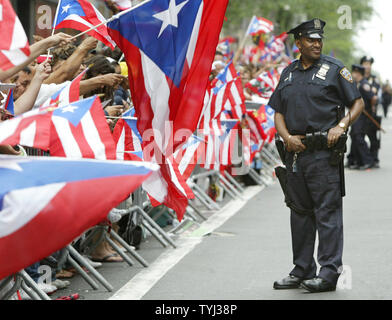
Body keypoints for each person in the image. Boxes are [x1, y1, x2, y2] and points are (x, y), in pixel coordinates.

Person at [269, 18, 365, 293]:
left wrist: (341, 125)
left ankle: (329, 272)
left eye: (319, 40)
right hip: (295, 154)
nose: (316, 44)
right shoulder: (287, 73)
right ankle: (302, 269)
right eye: (310, 40)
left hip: (324, 154)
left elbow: (356, 102)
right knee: (299, 213)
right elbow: (278, 111)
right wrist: (286, 137)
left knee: (327, 213)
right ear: (297, 43)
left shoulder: (335, 70)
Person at [346, 64, 375, 170]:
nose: (353, 74)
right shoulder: (357, 84)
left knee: (358, 137)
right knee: (354, 136)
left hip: (363, 116)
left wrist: (371, 109)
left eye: (354, 73)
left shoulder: (364, 84)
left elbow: (373, 97)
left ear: (359, 74)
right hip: (358, 115)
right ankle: (357, 161)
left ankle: (368, 161)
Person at [360, 56, 382, 168]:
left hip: (371, 113)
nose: (367, 66)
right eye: (365, 63)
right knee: (357, 136)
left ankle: (374, 159)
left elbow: (374, 95)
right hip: (359, 113)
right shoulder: (358, 78)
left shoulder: (374, 79)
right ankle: (356, 159)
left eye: (369, 64)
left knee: (373, 137)